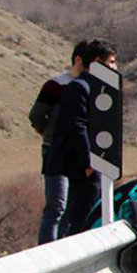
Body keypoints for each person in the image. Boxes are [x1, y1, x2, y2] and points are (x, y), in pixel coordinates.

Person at [43, 39, 117, 238]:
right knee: (78, 216)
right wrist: (88, 162)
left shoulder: (100, 88)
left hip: (97, 162)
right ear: (96, 62)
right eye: (110, 62)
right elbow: (78, 126)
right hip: (83, 165)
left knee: (93, 211)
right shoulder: (78, 87)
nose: (115, 67)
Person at [28, 42, 91, 244]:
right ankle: (46, 253)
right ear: (78, 60)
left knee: (75, 207)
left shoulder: (94, 87)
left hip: (82, 154)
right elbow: (36, 116)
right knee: (57, 206)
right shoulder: (56, 85)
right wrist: (53, 137)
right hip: (55, 152)